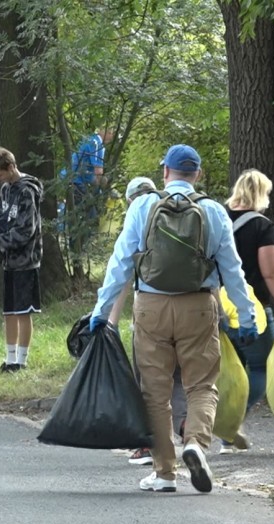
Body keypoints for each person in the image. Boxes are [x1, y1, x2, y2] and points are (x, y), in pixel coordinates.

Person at [89, 145, 258, 494]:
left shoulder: (142, 206)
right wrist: (246, 315)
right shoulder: (213, 211)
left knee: (154, 392)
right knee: (201, 385)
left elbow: (120, 262)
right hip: (197, 307)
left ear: (165, 171)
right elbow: (233, 271)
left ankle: (165, 473)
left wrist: (100, 312)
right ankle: (195, 442)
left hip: (150, 307)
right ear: (197, 174)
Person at [221, 169, 274, 454]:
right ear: (261, 194)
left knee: (220, 370)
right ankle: (228, 425)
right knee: (260, 367)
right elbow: (271, 273)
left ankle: (208, 425)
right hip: (250, 309)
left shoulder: (215, 218)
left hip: (215, 308)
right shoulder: (262, 226)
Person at [107, 177, 188, 467]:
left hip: (151, 313)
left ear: (131, 200)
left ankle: (146, 446)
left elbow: (122, 275)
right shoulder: (181, 212)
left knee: (150, 383)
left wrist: (110, 321)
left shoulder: (138, 218)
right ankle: (188, 434)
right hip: (191, 309)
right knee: (180, 379)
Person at [0, 147, 44, 372]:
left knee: (23, 311)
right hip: (8, 260)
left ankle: (22, 361)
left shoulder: (27, 191)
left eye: (0, 175)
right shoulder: (5, 190)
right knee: (9, 312)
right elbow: (2, 222)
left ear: (11, 167)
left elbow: (26, 231)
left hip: (26, 259)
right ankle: (10, 358)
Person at [70, 129, 114, 257]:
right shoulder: (96, 144)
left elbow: (93, 177)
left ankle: (76, 250)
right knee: (90, 216)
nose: (113, 136)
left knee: (80, 216)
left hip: (76, 181)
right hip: (77, 183)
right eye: (111, 132)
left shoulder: (89, 140)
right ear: (104, 131)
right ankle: (78, 252)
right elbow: (98, 173)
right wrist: (109, 189)